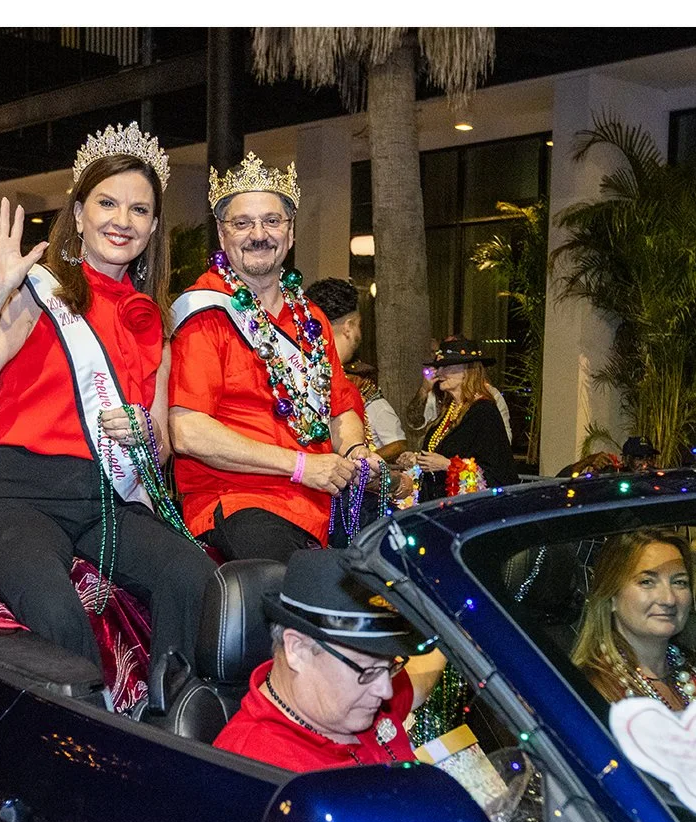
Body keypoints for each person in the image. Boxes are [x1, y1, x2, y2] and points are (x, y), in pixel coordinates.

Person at [0, 123, 213, 712]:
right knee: (59, 614)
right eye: (108, 203)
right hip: (17, 494)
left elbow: (160, 445)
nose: (123, 220)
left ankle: (170, 725)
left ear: (154, 226)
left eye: (140, 209)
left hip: (104, 500)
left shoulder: (154, 321)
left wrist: (145, 434)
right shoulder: (38, 292)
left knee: (191, 576)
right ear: (80, 212)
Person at [168, 152, 372, 563]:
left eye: (272, 221)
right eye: (242, 223)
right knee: (289, 589)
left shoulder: (310, 317)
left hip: (322, 496)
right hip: (242, 499)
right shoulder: (205, 312)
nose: (258, 234)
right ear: (223, 237)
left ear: (291, 233)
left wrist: (355, 452)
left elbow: (340, 403)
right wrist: (300, 466)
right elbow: (189, 432)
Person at [213, 547, 440, 771]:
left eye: (390, 666)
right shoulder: (255, 774)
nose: (386, 691)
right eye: (367, 671)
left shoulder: (348, 700)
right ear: (298, 649)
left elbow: (420, 684)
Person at [572, 529, 696, 717]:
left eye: (679, 582)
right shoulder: (589, 690)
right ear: (611, 597)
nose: (669, 599)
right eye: (647, 582)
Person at [401, 336, 519, 501]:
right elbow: (420, 428)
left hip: (467, 510)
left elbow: (497, 473)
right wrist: (419, 460)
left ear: (467, 371)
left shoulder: (484, 412)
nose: (439, 373)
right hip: (439, 504)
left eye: (446, 367)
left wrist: (447, 465)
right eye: (439, 367)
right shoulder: (448, 410)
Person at [304, 277, 404, 449]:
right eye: (359, 325)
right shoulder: (343, 387)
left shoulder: (297, 370)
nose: (360, 332)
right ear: (348, 327)